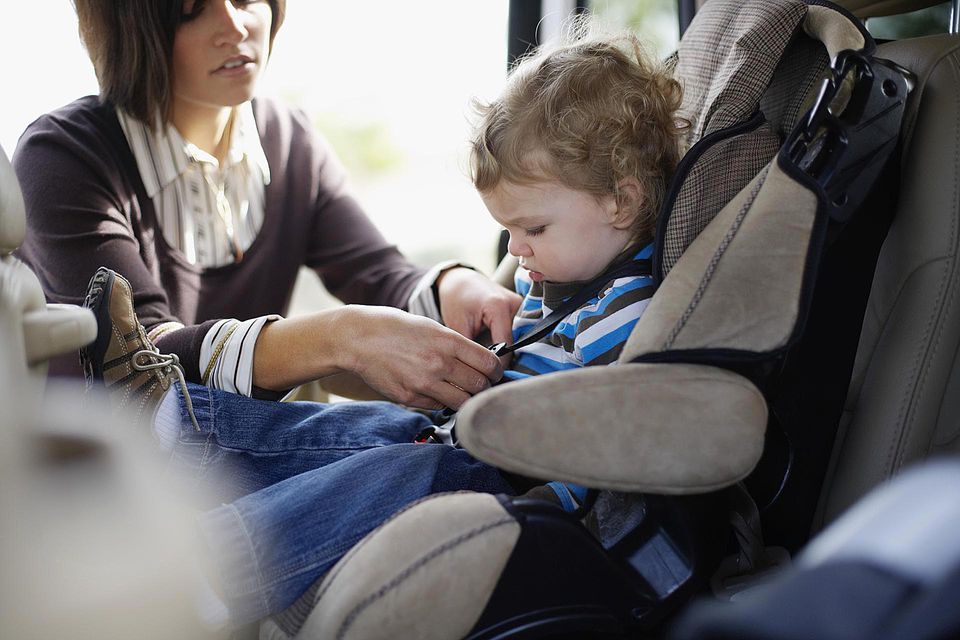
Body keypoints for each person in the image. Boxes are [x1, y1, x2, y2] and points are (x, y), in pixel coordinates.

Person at [76, 26, 686, 627]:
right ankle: (180, 422)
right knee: (346, 427)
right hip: (465, 441)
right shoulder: (556, 275)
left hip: (514, 483)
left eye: (534, 230)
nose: (517, 251)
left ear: (621, 203)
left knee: (399, 469)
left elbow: (600, 450)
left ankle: (206, 572)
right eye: (509, 232)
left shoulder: (622, 314)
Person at [14, 0, 518, 413]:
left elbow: (380, 273)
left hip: (239, 448)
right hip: (112, 473)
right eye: (192, 10)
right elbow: (142, 359)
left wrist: (459, 287)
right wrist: (342, 337)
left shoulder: (288, 140)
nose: (234, 27)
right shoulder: (62, 156)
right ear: (131, 27)